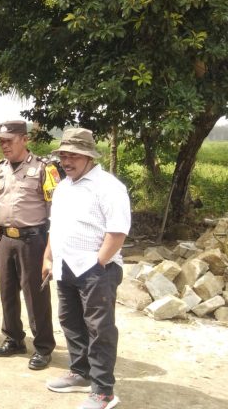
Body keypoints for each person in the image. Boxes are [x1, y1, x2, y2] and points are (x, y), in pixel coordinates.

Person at [42, 128, 130, 409]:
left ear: (89, 157)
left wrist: (98, 263)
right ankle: (80, 372)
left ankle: (104, 391)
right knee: (70, 321)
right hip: (65, 265)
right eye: (64, 155)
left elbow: (118, 231)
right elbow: (56, 227)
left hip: (96, 270)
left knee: (99, 328)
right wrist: (48, 257)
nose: (67, 161)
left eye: (74, 156)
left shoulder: (108, 186)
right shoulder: (65, 185)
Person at [0, 120, 58, 370]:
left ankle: (43, 347)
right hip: (3, 239)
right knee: (7, 291)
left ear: (25, 139)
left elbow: (55, 211)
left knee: (35, 294)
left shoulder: (45, 169)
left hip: (33, 240)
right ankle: (14, 338)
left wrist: (51, 250)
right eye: (1, 141)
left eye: (9, 140)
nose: (4, 145)